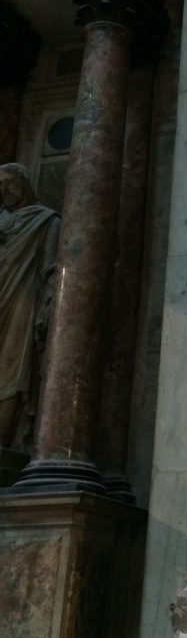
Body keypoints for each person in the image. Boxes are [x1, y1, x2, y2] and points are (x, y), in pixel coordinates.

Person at [0, 163, 60, 450]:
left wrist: (48, 307)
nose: (4, 190)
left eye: (9, 182)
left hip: (22, 298)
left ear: (24, 184)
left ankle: (4, 441)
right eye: (0, 186)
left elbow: (52, 268)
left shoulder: (45, 221)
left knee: (12, 365)